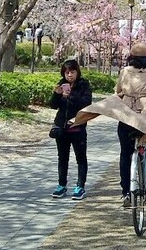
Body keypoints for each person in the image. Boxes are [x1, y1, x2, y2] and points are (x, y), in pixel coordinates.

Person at [71, 43, 146, 208]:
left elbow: (117, 89)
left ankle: (126, 191)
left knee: (125, 154)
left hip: (126, 117)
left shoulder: (124, 72)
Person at [49, 59, 92, 200]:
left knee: (80, 158)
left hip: (77, 127)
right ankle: (61, 185)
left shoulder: (83, 85)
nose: (69, 75)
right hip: (62, 128)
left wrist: (71, 96)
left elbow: (86, 103)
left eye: (72, 72)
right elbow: (53, 106)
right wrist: (57, 94)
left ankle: (80, 186)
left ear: (77, 72)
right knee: (62, 158)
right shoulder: (61, 84)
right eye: (67, 72)